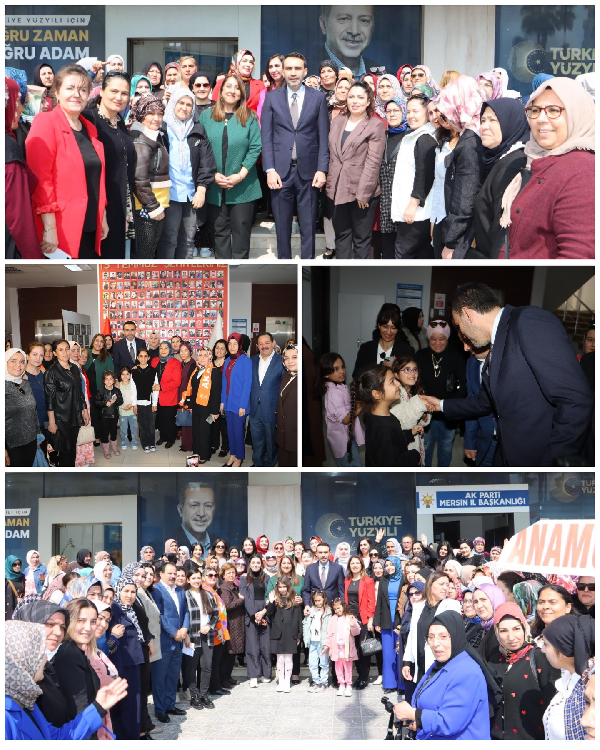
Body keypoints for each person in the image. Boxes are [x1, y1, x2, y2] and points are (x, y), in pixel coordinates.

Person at [422, 282, 593, 466]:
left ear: (468, 314)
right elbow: (485, 402)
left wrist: (554, 466)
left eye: (458, 325)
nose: (462, 335)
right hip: (505, 455)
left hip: (537, 461)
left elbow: (574, 400)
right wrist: (441, 404)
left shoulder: (529, 320)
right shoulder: (496, 343)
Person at [499, 77, 595, 259]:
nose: (541, 119)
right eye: (535, 110)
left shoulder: (582, 171)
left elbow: (578, 257)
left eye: (553, 110)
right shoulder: (538, 159)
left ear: (577, 114)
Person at [27, 64, 108, 259]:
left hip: (90, 225)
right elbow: (41, 181)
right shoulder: (46, 122)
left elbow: (96, 177)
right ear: (57, 91)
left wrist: (102, 216)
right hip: (60, 227)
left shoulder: (89, 128)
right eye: (70, 88)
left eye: (82, 89)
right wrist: (49, 228)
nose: (76, 94)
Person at [5, 619, 128, 740]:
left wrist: (99, 707)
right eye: (39, 653)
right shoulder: (6, 717)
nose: (45, 658)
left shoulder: (25, 702)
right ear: (20, 658)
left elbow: (58, 737)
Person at [261, 52, 329, 259]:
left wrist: (322, 169)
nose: (293, 73)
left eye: (297, 68)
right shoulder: (272, 97)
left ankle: (307, 264)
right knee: (282, 226)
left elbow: (323, 137)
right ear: (282, 71)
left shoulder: (318, 98)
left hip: (309, 172)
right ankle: (285, 264)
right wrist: (269, 169)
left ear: (305, 71)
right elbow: (266, 137)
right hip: (280, 172)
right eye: (289, 68)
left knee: (308, 225)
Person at [394, 610, 498, 740]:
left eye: (443, 637)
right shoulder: (442, 664)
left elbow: (449, 722)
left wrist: (413, 714)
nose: (435, 643)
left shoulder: (467, 673)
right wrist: (420, 723)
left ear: (456, 636)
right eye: (431, 637)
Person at [199, 73, 263, 261]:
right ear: (221, 91)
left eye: (237, 88)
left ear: (241, 93)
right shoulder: (206, 116)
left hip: (244, 186)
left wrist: (240, 175)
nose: (232, 91)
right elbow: (200, 148)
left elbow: (255, 147)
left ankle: (241, 270)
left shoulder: (249, 116)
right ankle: (224, 271)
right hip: (215, 186)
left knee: (242, 232)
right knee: (219, 233)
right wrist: (213, 175)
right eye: (228, 86)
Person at [325, 80, 385, 260]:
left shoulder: (375, 125)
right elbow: (332, 154)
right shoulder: (338, 121)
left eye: (360, 97)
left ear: (368, 101)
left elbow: (373, 162)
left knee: (361, 239)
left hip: (361, 193)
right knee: (341, 236)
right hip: (337, 189)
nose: (355, 101)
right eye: (351, 97)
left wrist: (363, 194)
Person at [82, 71, 136, 259]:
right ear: (102, 91)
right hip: (98, 206)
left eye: (124, 93)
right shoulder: (88, 119)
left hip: (121, 205)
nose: (119, 97)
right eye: (114, 91)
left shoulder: (119, 121)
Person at [158, 87, 216, 259]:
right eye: (180, 103)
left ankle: (183, 273)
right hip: (169, 194)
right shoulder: (162, 128)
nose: (184, 107)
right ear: (173, 104)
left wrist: (202, 189)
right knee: (169, 239)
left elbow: (207, 162)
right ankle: (166, 274)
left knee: (189, 240)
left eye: (189, 104)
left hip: (191, 195)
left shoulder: (197, 129)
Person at [491, 601, 560, 739]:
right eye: (503, 631)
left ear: (524, 627)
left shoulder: (540, 658)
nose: (511, 637)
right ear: (496, 632)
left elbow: (553, 704)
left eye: (516, 629)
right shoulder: (494, 660)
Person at [434, 75, 485, 259]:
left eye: (448, 111)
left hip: (462, 237)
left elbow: (465, 197)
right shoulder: (477, 135)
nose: (447, 118)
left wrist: (451, 242)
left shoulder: (469, 143)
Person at [472, 99, 529, 258]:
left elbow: (503, 232)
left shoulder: (511, 166)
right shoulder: (497, 159)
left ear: (511, 122)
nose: (484, 126)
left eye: (493, 120)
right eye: (483, 120)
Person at [389, 92, 436, 259]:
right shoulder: (416, 135)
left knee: (404, 255)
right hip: (413, 213)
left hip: (416, 213)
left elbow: (424, 174)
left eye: (415, 111)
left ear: (426, 113)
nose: (411, 116)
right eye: (408, 112)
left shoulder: (425, 138)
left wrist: (413, 204)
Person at [349, 364, 420, 467]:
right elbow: (391, 467)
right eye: (392, 381)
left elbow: (393, 441)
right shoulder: (384, 428)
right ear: (377, 394)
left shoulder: (374, 416)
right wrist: (414, 455)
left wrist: (409, 433)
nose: (398, 384)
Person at [5, 76, 43, 259]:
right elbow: (18, 217)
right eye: (16, 101)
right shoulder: (7, 148)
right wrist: (34, 258)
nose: (20, 108)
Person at [129, 94, 171, 258]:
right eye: (151, 113)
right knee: (144, 256)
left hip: (155, 204)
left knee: (150, 253)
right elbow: (139, 179)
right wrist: (153, 207)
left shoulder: (154, 135)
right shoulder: (141, 139)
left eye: (160, 114)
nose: (156, 118)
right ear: (141, 114)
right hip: (146, 208)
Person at [542, 614, 595, 740]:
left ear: (563, 650)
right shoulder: (570, 680)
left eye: (546, 644)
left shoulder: (585, 690)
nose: (542, 650)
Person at [150, 561, 189, 723]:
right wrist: (174, 633)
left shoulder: (180, 590)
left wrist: (185, 629)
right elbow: (159, 615)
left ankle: (170, 704)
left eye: (175, 573)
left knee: (173, 675)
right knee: (160, 677)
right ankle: (160, 709)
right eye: (170, 573)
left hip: (178, 641)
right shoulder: (156, 591)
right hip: (164, 641)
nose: (173, 576)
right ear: (161, 574)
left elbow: (185, 611)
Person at [44, 340, 89, 467]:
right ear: (55, 353)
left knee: (72, 448)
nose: (65, 352)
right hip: (61, 417)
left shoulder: (74, 368)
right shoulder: (51, 372)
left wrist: (84, 410)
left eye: (67, 349)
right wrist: (52, 422)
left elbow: (79, 392)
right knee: (65, 449)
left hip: (75, 414)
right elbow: (49, 399)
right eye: (61, 350)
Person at [182, 568, 218, 710]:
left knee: (207, 666)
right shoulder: (185, 595)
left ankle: (204, 694)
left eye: (198, 578)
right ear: (188, 580)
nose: (196, 581)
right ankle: (194, 695)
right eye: (193, 578)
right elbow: (182, 616)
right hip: (192, 636)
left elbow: (215, 614)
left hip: (207, 635)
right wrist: (186, 634)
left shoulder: (208, 594)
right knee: (191, 667)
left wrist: (209, 626)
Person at [179, 345, 221, 462]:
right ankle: (196, 453)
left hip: (207, 408)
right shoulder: (196, 370)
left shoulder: (214, 372)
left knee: (204, 432)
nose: (202, 358)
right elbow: (192, 390)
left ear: (210, 358)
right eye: (200, 355)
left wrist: (214, 411)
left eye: (205, 355)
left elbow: (216, 393)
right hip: (196, 407)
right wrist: (190, 405)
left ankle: (204, 456)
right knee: (196, 431)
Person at [249, 332, 284, 467]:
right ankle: (257, 463)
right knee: (256, 439)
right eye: (261, 344)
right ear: (257, 346)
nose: (264, 346)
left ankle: (269, 464)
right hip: (254, 408)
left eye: (267, 343)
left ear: (273, 343)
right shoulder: (252, 361)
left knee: (271, 440)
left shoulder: (281, 361)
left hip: (271, 408)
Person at [390, 356, 431, 465]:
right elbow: (403, 422)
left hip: (416, 443)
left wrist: (425, 416)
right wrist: (420, 405)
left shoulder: (417, 391)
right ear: (396, 374)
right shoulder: (394, 394)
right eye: (407, 369)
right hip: (402, 446)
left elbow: (422, 421)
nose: (412, 373)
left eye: (415, 369)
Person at [318, 5, 377, 78]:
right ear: (324, 24)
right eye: (344, 19)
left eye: (364, 20)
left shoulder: (383, 76)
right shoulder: (306, 75)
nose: (354, 31)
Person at [220, 332, 252, 467]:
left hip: (239, 403)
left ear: (240, 345)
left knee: (238, 432)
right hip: (228, 402)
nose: (232, 347)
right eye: (230, 344)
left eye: (235, 344)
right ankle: (232, 455)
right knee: (230, 431)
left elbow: (247, 384)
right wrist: (222, 401)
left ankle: (239, 457)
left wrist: (243, 405)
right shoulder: (228, 360)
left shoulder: (246, 361)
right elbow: (224, 383)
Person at [239, 555, 272, 687]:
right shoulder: (244, 579)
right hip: (250, 613)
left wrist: (263, 612)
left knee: (265, 645)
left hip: (265, 612)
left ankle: (266, 674)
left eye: (258, 562)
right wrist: (254, 614)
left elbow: (270, 596)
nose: (256, 565)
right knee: (252, 646)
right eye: (253, 562)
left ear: (261, 564)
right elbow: (244, 597)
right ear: (250, 564)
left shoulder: (267, 578)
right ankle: (254, 675)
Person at [5, 348, 39, 467]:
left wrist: (38, 433)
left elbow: (32, 411)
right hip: (11, 445)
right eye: (13, 361)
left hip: (31, 441)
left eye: (22, 361)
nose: (18, 365)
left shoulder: (25, 383)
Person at [373, 555, 402, 692]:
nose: (389, 567)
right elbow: (379, 601)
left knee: (400, 653)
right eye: (387, 565)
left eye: (392, 564)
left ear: (397, 565)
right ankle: (390, 684)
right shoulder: (384, 580)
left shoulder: (404, 579)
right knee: (388, 653)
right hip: (385, 620)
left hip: (400, 621)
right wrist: (377, 621)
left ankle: (402, 684)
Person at [322, 597, 362, 696]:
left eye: (339, 608)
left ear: (343, 606)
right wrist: (326, 645)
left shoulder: (350, 617)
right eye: (335, 609)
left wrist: (353, 625)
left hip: (347, 648)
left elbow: (356, 632)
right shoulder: (333, 619)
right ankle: (341, 684)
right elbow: (329, 634)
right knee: (338, 668)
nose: (337, 610)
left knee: (348, 668)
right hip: (336, 648)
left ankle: (348, 685)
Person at [218, 563, 245, 687]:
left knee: (232, 653)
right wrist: (241, 600)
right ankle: (223, 679)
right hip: (229, 624)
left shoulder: (234, 586)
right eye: (228, 573)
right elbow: (227, 605)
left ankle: (228, 677)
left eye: (233, 572)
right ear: (223, 575)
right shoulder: (224, 588)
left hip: (236, 624)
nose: (231, 575)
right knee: (227, 654)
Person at [151, 341, 182, 450]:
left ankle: (170, 439)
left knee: (169, 420)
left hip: (170, 396)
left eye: (166, 348)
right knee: (160, 419)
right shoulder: (154, 361)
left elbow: (176, 382)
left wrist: (161, 387)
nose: (163, 350)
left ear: (170, 350)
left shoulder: (175, 363)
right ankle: (162, 437)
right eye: (161, 348)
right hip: (156, 397)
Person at [302, 542, 346, 614]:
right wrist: (307, 605)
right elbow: (306, 590)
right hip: (315, 608)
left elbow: (341, 590)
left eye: (325, 552)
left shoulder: (338, 568)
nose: (323, 555)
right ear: (316, 554)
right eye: (320, 552)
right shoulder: (310, 569)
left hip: (333, 609)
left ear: (330, 553)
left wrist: (342, 607)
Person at [130, 348, 158, 453]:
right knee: (142, 426)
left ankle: (151, 443)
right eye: (141, 356)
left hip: (150, 403)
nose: (143, 358)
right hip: (139, 403)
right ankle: (145, 444)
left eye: (145, 356)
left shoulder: (152, 371)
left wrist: (154, 403)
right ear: (137, 358)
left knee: (151, 425)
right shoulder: (134, 371)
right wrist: (134, 404)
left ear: (148, 357)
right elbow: (133, 389)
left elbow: (155, 388)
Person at [275, 342, 298, 467]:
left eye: (294, 357)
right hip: (283, 431)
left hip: (295, 434)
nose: (290, 361)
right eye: (286, 358)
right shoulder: (286, 376)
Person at [94, 369, 124, 459]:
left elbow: (121, 401)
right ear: (103, 381)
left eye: (110, 379)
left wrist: (116, 401)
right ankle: (106, 449)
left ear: (114, 380)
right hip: (104, 415)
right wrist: (104, 403)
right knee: (105, 432)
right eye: (106, 379)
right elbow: (96, 402)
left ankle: (114, 447)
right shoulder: (100, 391)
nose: (108, 381)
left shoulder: (117, 391)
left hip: (114, 415)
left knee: (114, 431)